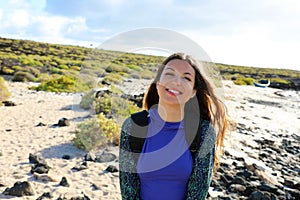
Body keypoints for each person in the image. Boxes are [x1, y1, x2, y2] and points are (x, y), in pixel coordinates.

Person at [119, 52, 230, 200]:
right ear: (158, 83)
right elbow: (128, 190)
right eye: (170, 74)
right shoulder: (133, 126)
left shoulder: (203, 132)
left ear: (193, 91)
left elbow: (197, 194)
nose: (177, 81)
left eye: (186, 77)